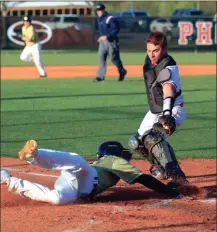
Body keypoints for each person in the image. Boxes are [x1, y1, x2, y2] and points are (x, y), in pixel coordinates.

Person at [1, 140, 184, 205]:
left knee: (56, 199)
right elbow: (144, 179)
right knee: (78, 162)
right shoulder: (115, 161)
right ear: (115, 154)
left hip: (75, 187)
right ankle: (35, 155)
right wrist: (170, 191)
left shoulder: (103, 160)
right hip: (87, 177)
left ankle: (9, 180)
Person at [128, 31, 188, 188]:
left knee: (153, 137)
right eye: (148, 50)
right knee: (136, 142)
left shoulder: (169, 67)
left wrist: (167, 115)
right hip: (155, 111)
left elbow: (168, 89)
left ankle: (178, 178)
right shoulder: (150, 61)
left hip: (173, 109)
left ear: (165, 49)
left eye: (155, 51)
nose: (151, 55)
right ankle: (161, 169)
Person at [93, 4, 127, 82]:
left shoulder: (110, 18)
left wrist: (108, 36)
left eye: (100, 10)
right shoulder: (100, 19)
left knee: (114, 58)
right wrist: (102, 37)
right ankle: (100, 77)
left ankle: (122, 71)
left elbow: (116, 29)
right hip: (103, 42)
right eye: (97, 11)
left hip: (111, 42)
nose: (99, 12)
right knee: (101, 58)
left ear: (104, 10)